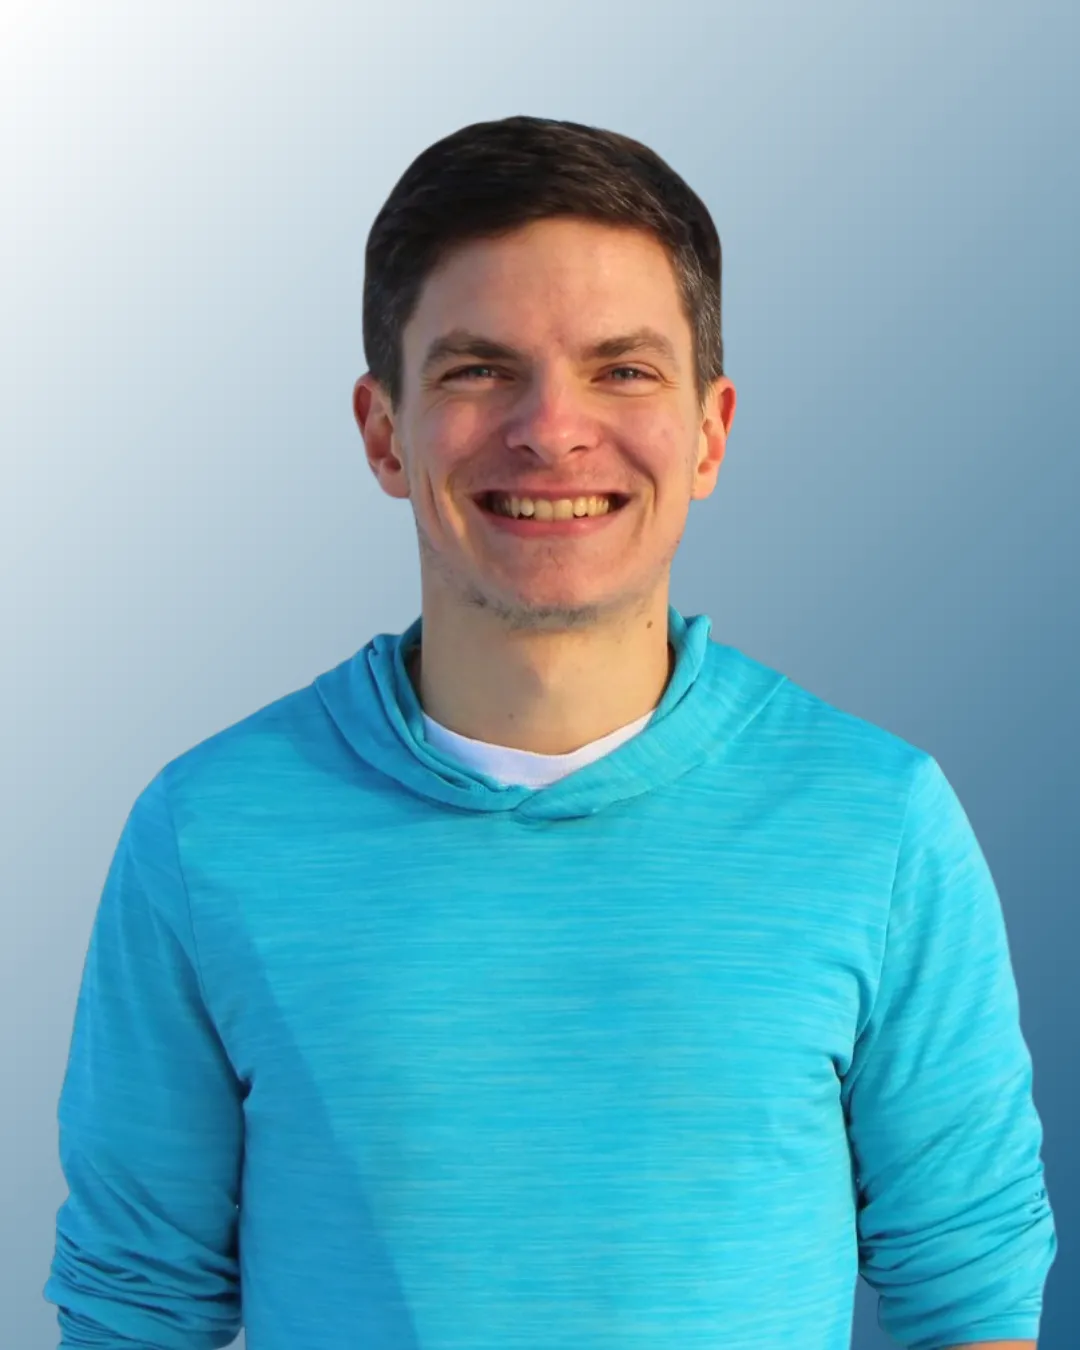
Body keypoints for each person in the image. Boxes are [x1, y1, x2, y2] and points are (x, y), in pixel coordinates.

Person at [44, 115, 1056, 1350]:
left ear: (710, 432)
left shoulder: (880, 822)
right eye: (479, 370)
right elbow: (136, 1308)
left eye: (622, 369)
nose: (552, 428)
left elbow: (970, 1292)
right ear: (381, 431)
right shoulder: (204, 835)